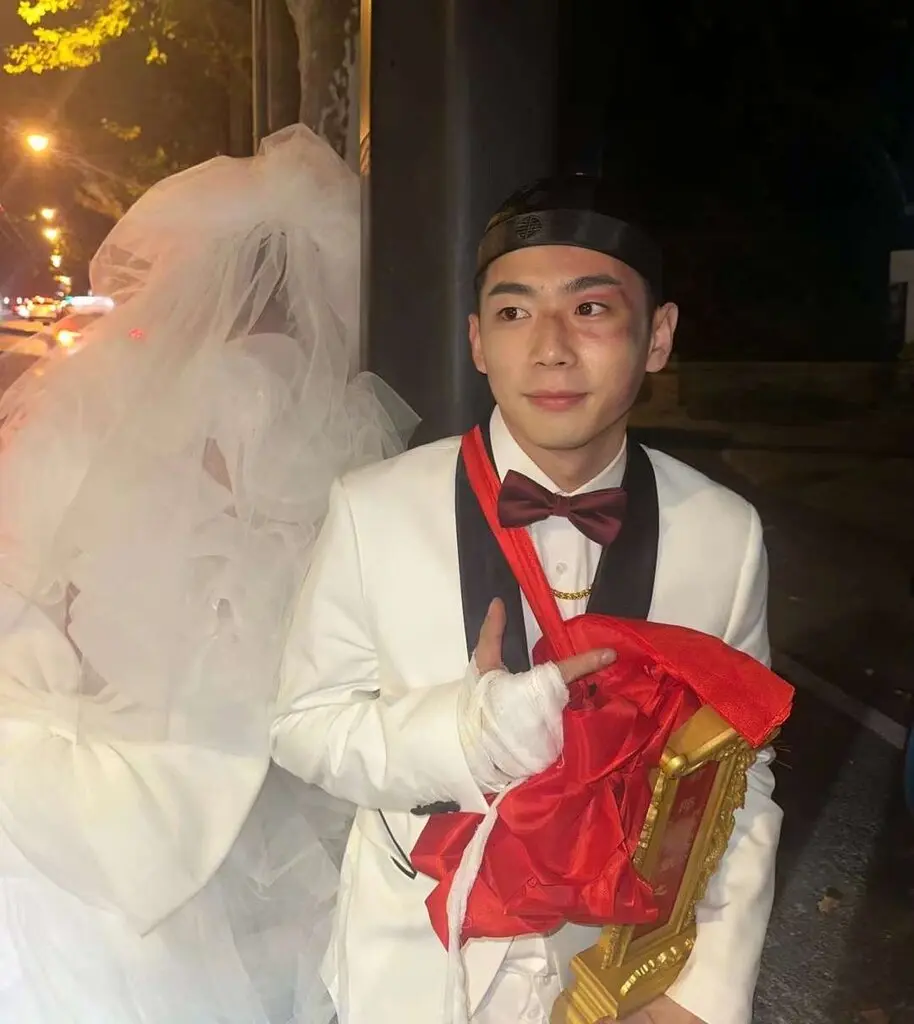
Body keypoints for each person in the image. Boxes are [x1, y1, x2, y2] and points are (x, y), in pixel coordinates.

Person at [272, 175, 783, 1024]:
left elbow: (741, 769)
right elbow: (303, 724)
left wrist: (702, 988)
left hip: (619, 970)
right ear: (477, 340)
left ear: (657, 336)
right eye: (514, 314)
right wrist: (465, 735)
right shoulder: (374, 509)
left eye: (590, 311)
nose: (549, 347)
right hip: (417, 962)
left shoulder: (725, 534)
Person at [0, 124, 414, 1023]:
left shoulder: (147, 384)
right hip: (239, 679)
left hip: (149, 671)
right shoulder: (304, 391)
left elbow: (74, 554)